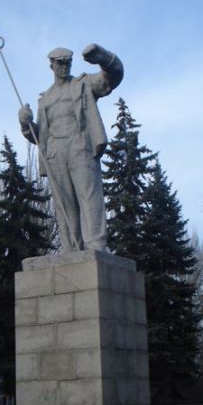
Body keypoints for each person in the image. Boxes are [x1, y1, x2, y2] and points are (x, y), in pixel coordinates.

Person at [18, 43, 123, 252]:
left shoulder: (83, 84)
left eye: (68, 63)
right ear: (52, 66)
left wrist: (103, 57)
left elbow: (113, 77)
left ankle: (95, 247)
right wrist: (25, 124)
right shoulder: (45, 99)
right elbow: (40, 138)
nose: (64, 67)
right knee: (64, 203)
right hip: (55, 151)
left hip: (80, 145)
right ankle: (70, 248)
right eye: (60, 63)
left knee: (89, 196)